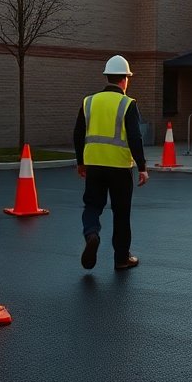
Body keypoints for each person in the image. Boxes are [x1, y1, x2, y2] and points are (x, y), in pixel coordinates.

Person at [74, 54, 149, 270]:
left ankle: (91, 234)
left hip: (94, 165)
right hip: (119, 167)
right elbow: (135, 138)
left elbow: (78, 134)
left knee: (92, 205)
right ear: (125, 79)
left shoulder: (89, 101)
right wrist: (142, 167)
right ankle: (121, 258)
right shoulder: (127, 104)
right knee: (121, 212)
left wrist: (81, 162)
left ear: (107, 77)